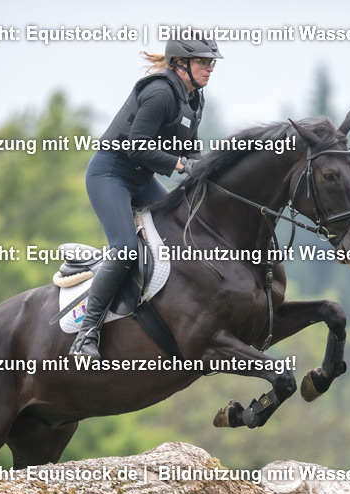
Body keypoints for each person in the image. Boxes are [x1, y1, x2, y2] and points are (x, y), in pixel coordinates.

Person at [68, 37, 224, 362]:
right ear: (181, 64)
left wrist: (210, 169)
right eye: (203, 63)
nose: (210, 68)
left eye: (212, 63)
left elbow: (189, 148)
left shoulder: (194, 98)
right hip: (110, 174)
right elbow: (137, 146)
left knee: (181, 230)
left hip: (142, 180)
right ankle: (86, 333)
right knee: (125, 250)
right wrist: (181, 165)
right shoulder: (160, 93)